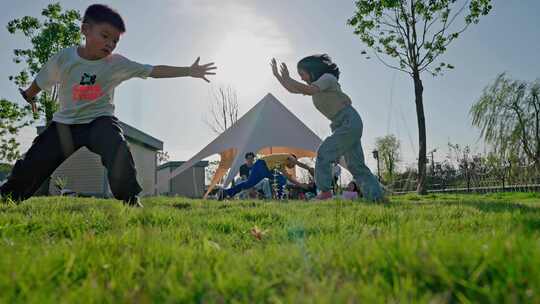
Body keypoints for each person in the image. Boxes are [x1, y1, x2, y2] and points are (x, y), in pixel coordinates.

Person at [0, 4, 216, 207]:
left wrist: (188, 71)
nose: (110, 44)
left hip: (99, 120)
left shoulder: (116, 63)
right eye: (105, 36)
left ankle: (130, 199)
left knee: (116, 146)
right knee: (35, 159)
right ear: (85, 30)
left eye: (115, 41)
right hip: (65, 124)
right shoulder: (65, 58)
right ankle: (8, 195)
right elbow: (41, 80)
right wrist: (29, 95)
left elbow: (152, 70)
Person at [271, 55, 385, 202]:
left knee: (324, 153)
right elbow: (293, 90)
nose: (301, 78)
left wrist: (289, 78)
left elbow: (308, 89)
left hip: (348, 120)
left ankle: (325, 192)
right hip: (342, 124)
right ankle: (376, 197)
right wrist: (279, 77)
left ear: (312, 71)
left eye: (302, 74)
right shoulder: (316, 86)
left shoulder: (327, 78)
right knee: (356, 165)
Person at [218, 154, 310, 200]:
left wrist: (301, 185)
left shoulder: (282, 164)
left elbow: (289, 178)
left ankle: (225, 193)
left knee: (248, 184)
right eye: (293, 164)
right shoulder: (288, 157)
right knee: (281, 179)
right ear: (292, 160)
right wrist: (309, 168)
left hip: (262, 167)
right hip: (262, 165)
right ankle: (279, 198)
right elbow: (296, 162)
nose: (293, 166)